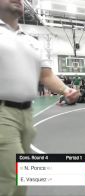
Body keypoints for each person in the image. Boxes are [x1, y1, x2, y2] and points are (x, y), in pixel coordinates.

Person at [0, 1, 80, 195]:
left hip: (26, 115)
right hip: (2, 114)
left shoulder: (32, 41)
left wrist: (65, 90)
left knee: (21, 177)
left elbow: (45, 76)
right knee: (9, 177)